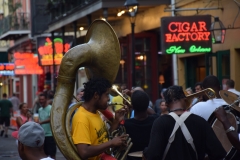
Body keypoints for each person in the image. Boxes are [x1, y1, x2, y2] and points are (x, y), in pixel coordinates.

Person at [143, 85, 226, 160]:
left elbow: (152, 155)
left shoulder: (160, 123)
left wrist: (146, 151)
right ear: (185, 99)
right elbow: (218, 153)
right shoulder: (200, 122)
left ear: (167, 104)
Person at [71, 78, 128, 160]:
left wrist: (116, 122)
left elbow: (102, 139)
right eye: (106, 95)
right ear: (96, 95)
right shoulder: (81, 118)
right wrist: (111, 143)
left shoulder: (95, 112)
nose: (108, 99)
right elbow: (84, 152)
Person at [124, 90, 158, 160]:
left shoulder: (126, 124)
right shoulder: (155, 120)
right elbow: (154, 113)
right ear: (148, 105)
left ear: (132, 107)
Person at [38, 93, 56, 159]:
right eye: (40, 99)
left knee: (52, 155)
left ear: (46, 99)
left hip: (50, 135)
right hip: (42, 136)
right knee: (44, 155)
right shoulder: (40, 109)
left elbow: (51, 119)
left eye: (42, 99)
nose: (41, 101)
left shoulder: (50, 108)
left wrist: (41, 122)